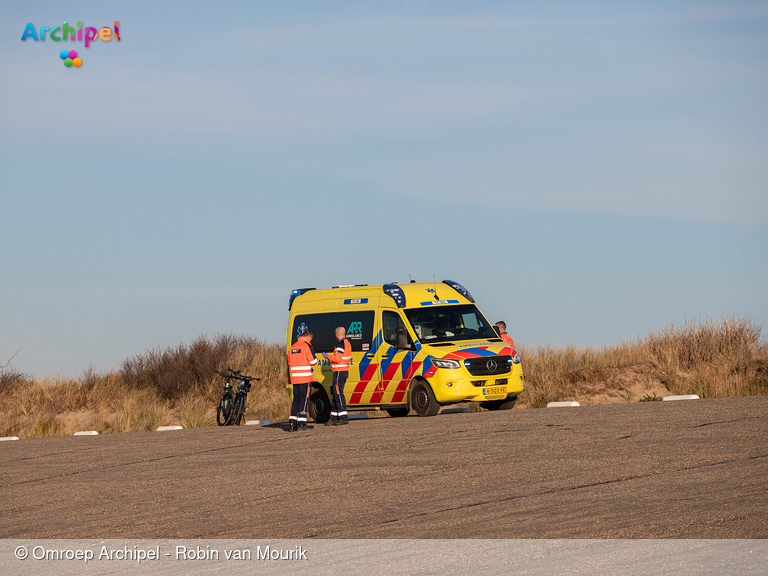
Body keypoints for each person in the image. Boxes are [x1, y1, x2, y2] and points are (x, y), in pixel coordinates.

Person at [287, 329, 317, 432]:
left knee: (296, 400)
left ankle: (292, 423)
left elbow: (289, 363)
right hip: (305, 378)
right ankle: (302, 423)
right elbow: (313, 361)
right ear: (309, 337)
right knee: (304, 399)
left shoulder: (293, 347)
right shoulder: (306, 346)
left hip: (295, 379)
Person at [322, 327, 351, 426]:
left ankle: (343, 417)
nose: (335, 335)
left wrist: (328, 357)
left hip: (339, 372)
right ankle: (334, 417)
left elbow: (337, 359)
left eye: (335, 333)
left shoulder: (340, 344)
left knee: (338, 394)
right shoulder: (347, 343)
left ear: (338, 334)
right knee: (335, 393)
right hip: (343, 371)